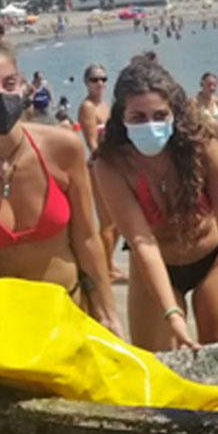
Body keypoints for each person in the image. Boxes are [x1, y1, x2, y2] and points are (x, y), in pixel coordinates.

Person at [0, 11, 121, 337]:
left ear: (23, 85)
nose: (0, 95)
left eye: (9, 84)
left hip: (73, 310)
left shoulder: (63, 147)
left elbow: (86, 238)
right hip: (5, 324)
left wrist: (107, 313)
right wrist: (15, 338)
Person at [93, 53, 218, 351]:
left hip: (215, 256)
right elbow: (141, 241)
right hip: (155, 264)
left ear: (174, 113)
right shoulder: (110, 166)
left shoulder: (204, 148)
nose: (150, 125)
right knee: (159, 360)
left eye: (159, 115)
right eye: (138, 117)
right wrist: (172, 314)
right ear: (121, 116)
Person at [78, 64, 124, 283]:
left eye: (103, 79)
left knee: (118, 221)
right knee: (108, 221)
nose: (100, 83)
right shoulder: (87, 107)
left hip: (114, 164)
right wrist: (107, 163)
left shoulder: (105, 105)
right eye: (95, 79)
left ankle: (108, 263)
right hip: (100, 166)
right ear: (86, 82)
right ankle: (106, 268)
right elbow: (91, 142)